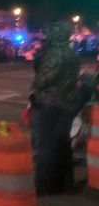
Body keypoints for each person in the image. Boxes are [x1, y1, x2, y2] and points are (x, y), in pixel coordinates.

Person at [30, 22, 83, 194]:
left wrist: (36, 84)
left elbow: (43, 79)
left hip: (51, 103)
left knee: (46, 145)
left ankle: (43, 187)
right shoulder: (72, 53)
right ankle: (66, 184)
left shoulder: (55, 54)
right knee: (63, 144)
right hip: (67, 103)